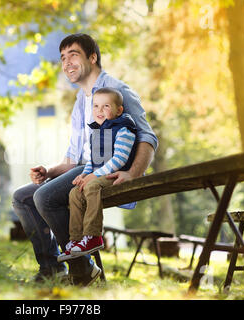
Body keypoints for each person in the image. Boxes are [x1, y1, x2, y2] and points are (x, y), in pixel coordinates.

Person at [12, 33, 158, 286]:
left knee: (44, 197)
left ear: (92, 58)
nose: (66, 62)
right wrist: (48, 171)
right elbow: (73, 159)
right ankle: (51, 269)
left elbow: (148, 137)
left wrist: (132, 173)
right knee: (22, 198)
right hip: (85, 168)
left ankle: (82, 271)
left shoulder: (117, 91)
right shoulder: (81, 102)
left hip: (111, 172)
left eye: (73, 55)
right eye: (63, 58)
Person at [57, 87, 137, 262]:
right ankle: (76, 239)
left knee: (92, 186)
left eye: (105, 106)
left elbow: (119, 160)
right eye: (96, 106)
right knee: (75, 192)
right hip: (99, 176)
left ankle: (93, 236)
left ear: (119, 110)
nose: (99, 111)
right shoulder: (97, 132)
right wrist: (84, 175)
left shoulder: (123, 130)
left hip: (116, 177)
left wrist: (93, 177)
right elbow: (92, 162)